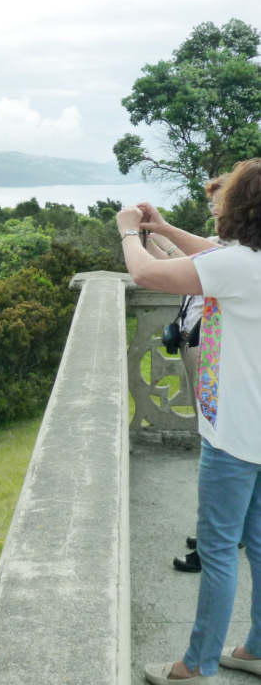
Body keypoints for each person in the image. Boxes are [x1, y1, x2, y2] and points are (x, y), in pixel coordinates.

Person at [132, 161, 261, 683]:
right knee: (259, 545)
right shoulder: (244, 262)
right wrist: (163, 228)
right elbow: (210, 253)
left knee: (218, 549)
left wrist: (129, 232)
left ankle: (197, 664)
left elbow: (146, 275)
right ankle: (255, 650)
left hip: (234, 434)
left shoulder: (240, 266)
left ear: (240, 208)